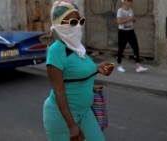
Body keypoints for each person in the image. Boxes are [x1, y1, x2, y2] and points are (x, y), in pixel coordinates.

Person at [43, 1, 114, 141]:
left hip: (85, 112)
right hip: (63, 116)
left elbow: (77, 72)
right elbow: (59, 91)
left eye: (80, 21)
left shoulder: (77, 47)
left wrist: (98, 69)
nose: (78, 26)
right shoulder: (56, 51)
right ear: (59, 25)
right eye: (73, 22)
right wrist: (71, 126)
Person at [116, 0, 148, 72]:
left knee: (135, 48)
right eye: (128, 1)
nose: (130, 2)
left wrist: (133, 20)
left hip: (130, 31)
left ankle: (138, 66)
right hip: (122, 31)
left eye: (131, 1)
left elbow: (132, 20)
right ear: (124, 2)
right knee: (121, 48)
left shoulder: (131, 10)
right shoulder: (120, 11)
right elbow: (119, 21)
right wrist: (130, 19)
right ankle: (119, 65)